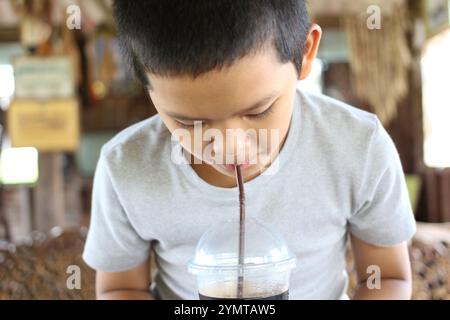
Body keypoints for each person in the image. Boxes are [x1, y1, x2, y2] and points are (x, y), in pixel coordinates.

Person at [83, 0, 416, 300]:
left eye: (257, 112)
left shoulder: (358, 146)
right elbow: (120, 287)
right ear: (146, 85)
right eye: (188, 123)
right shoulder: (124, 167)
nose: (230, 146)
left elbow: (387, 277)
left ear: (304, 53)